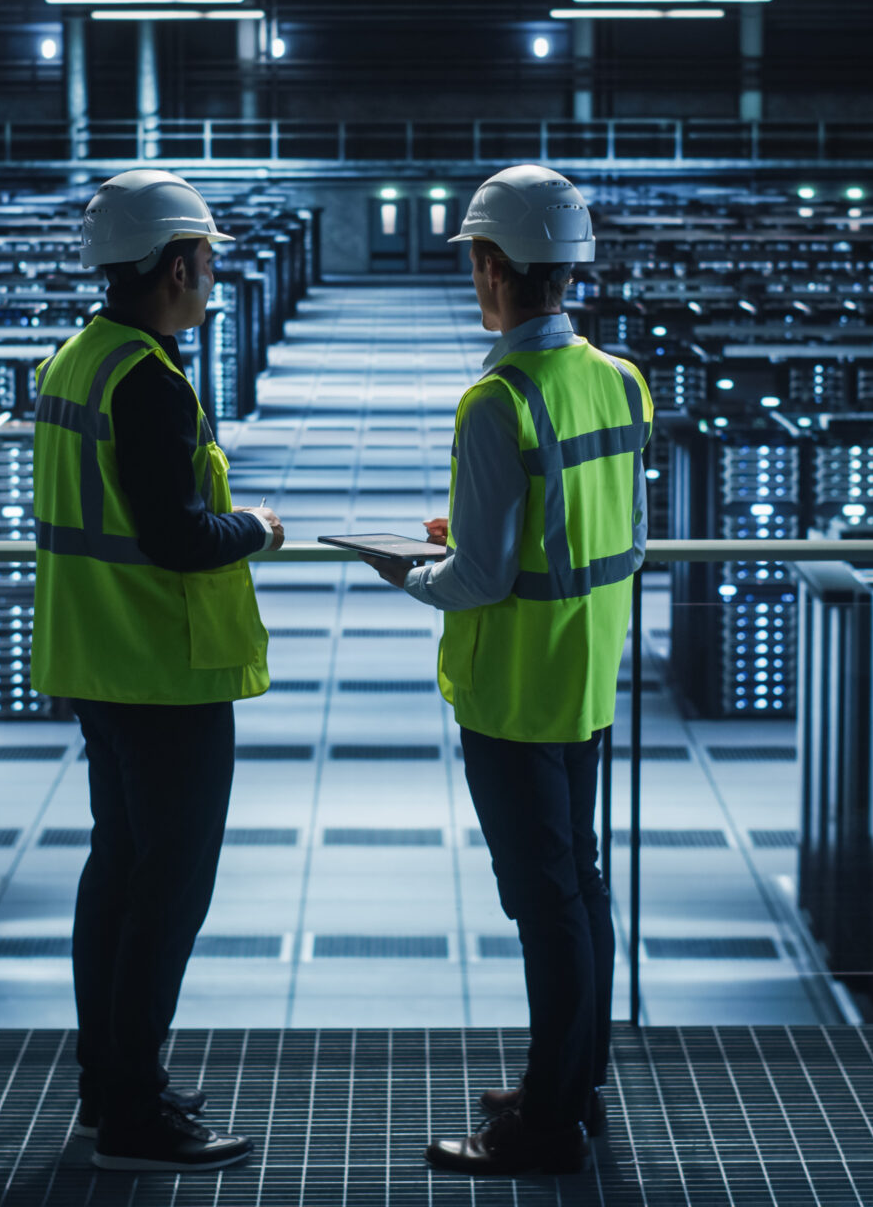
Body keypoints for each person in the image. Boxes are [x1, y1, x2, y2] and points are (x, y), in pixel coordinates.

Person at [370, 164, 650, 1176]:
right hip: (588, 672)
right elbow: (608, 531)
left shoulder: (495, 399)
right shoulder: (617, 378)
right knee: (580, 887)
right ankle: (569, 1083)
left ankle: (543, 1132)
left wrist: (410, 568)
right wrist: (485, 538)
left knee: (544, 906)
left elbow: (479, 582)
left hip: (512, 686)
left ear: (489, 267)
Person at [31, 168, 284, 1173]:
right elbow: (178, 537)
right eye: (209, 257)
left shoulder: (77, 360)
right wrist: (256, 528)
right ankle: (135, 1113)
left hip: (97, 660)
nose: (215, 272)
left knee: (118, 880)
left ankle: (112, 1088)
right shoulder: (147, 379)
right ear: (179, 264)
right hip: (162, 670)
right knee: (165, 895)